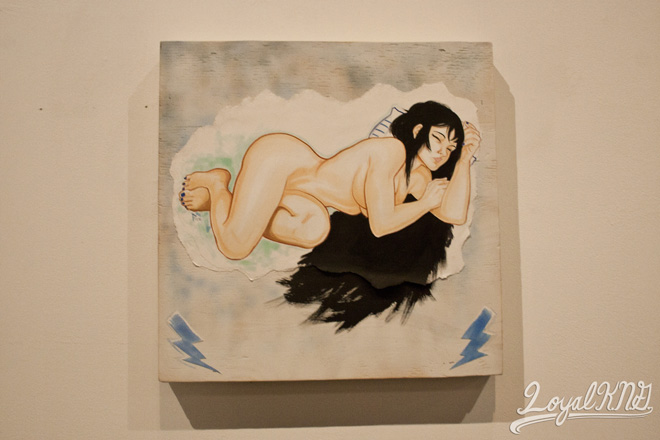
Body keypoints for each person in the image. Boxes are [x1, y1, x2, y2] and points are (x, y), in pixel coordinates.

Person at [179, 101, 481, 260]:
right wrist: (424, 204)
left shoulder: (418, 177)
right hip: (282, 163)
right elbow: (380, 225)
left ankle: (234, 207)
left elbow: (454, 213)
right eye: (438, 139)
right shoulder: (391, 151)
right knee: (234, 248)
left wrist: (465, 159)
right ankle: (218, 184)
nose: (443, 152)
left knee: (316, 229)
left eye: (450, 148)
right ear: (417, 131)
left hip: (304, 197)